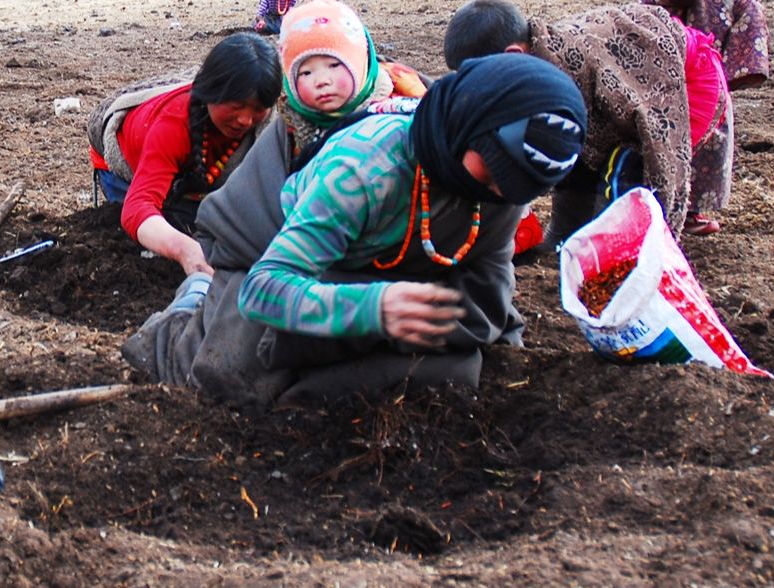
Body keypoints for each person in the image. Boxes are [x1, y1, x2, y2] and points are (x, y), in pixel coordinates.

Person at [123, 55, 586, 409]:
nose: (501, 189)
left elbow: (487, 289)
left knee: (454, 372)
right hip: (268, 255)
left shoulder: (505, 187)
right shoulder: (365, 170)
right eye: (493, 169)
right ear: (466, 125)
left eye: (520, 184)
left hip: (371, 277)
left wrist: (504, 361)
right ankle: (194, 298)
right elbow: (266, 290)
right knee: (230, 385)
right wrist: (375, 308)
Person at [443, 0, 721, 244]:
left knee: (626, 168)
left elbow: (658, 132)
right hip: (632, 91)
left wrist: (662, 216)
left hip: (686, 81)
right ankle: (567, 234)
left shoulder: (573, 64)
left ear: (512, 56)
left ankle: (621, 246)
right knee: (575, 150)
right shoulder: (535, 60)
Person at [191, 0, 429, 266]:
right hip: (310, 261)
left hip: (398, 255)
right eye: (305, 71)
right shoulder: (291, 124)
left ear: (359, 61)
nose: (322, 80)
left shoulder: (407, 106)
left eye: (334, 65)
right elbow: (237, 216)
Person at [87, 33, 280, 277]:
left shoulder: (272, 123)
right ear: (211, 93)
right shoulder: (173, 126)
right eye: (235, 106)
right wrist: (185, 250)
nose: (245, 120)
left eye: (258, 109)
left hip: (198, 171)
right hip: (126, 169)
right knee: (172, 230)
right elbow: (138, 207)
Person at [639, 0, 770, 234]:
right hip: (672, 70)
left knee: (714, 137)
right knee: (675, 135)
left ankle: (695, 209)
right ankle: (666, 205)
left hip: (708, 70)